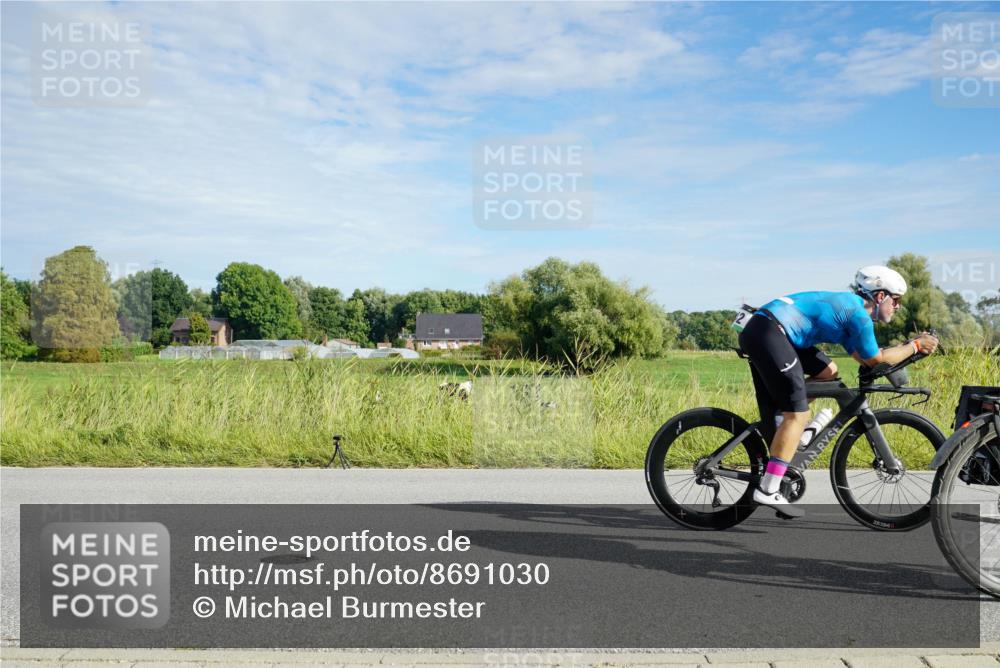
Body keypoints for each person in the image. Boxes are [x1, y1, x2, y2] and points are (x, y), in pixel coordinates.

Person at [738, 265, 939, 518]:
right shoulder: (858, 315)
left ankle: (788, 427)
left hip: (773, 330)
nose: (897, 307)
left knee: (828, 372)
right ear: (880, 296)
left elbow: (865, 359)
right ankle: (768, 489)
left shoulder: (850, 312)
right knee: (797, 414)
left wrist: (907, 347)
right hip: (768, 332)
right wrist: (916, 345)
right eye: (895, 300)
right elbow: (877, 359)